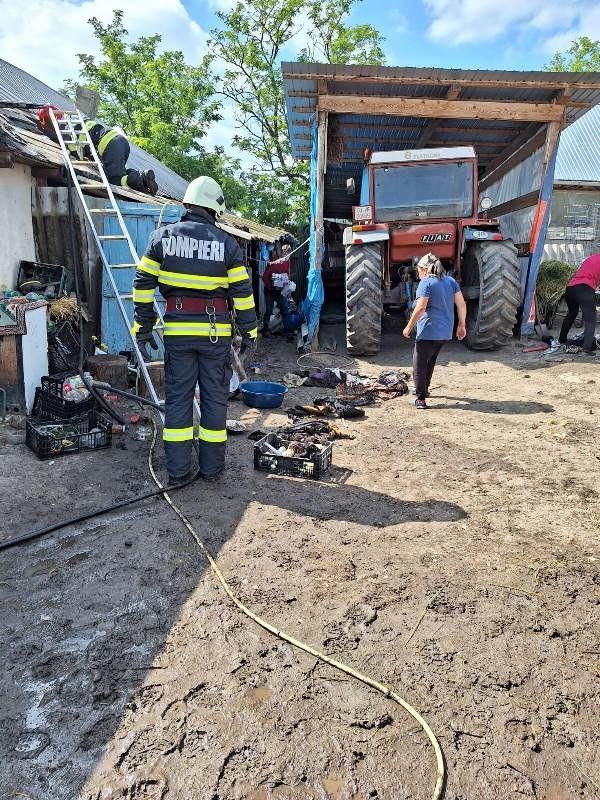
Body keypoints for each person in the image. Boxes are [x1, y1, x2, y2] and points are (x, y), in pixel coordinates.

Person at [132, 175, 257, 483]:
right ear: (215, 209)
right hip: (215, 334)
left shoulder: (161, 238)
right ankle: (211, 469)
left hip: (178, 332)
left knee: (178, 400)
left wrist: (143, 327)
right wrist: (249, 332)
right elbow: (242, 293)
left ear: (187, 203)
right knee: (214, 400)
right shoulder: (227, 244)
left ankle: (177, 471)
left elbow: (142, 285)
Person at [37, 106, 158, 195]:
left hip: (108, 145)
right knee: (121, 173)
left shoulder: (65, 130)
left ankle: (137, 180)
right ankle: (144, 178)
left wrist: (49, 134)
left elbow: (75, 153)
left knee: (115, 180)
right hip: (119, 140)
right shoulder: (75, 119)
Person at [403, 252, 467, 409]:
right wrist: (461, 325)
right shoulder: (451, 281)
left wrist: (409, 326)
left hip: (428, 331)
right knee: (430, 359)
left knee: (419, 363)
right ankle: (424, 389)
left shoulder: (426, 283)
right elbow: (461, 304)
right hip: (445, 332)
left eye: (419, 270)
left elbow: (420, 307)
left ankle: (420, 399)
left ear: (425, 269)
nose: (418, 274)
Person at [558, 253, 600, 354]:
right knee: (590, 319)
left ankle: (562, 340)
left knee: (572, 313)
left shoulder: (591, 258)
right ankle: (587, 348)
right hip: (585, 289)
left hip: (570, 288)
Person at [261, 240, 292, 334]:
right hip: (270, 290)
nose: (286, 254)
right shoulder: (273, 261)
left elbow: (287, 275)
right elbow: (264, 277)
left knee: (284, 308)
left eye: (288, 252)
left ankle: (288, 330)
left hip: (280, 290)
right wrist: (271, 286)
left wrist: (286, 283)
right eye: (284, 251)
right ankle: (265, 330)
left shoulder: (287, 261)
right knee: (269, 309)